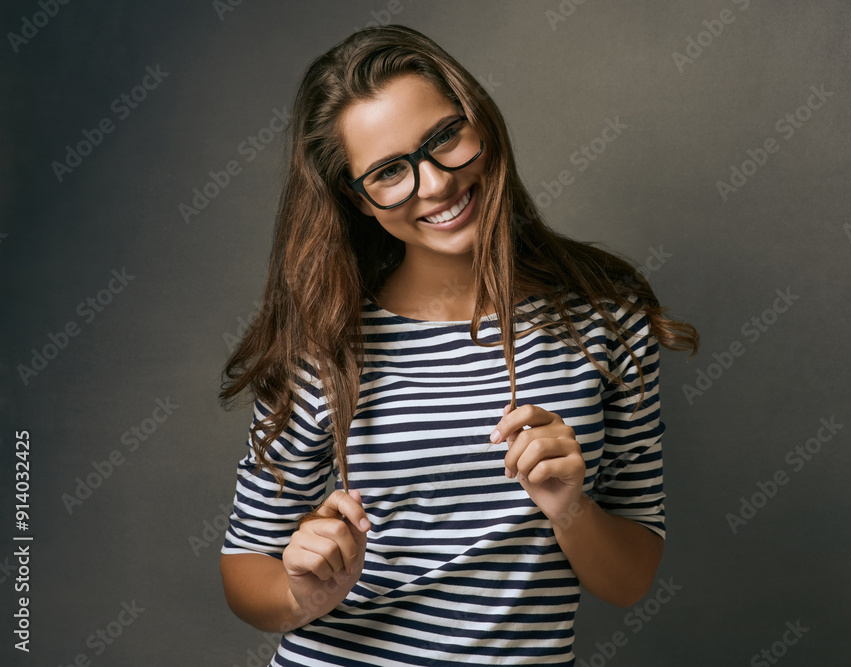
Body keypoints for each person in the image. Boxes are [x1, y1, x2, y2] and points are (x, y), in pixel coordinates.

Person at [218, 24, 698, 667]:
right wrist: (302, 593)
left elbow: (629, 580)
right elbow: (246, 564)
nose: (435, 184)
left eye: (445, 137)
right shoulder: (325, 338)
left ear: (482, 123)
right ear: (358, 201)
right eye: (389, 171)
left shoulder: (607, 314)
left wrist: (571, 509)